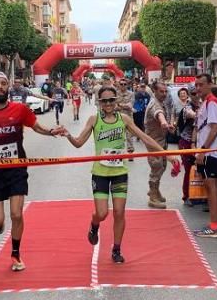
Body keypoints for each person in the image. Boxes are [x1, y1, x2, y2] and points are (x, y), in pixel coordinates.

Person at [0, 72, 65, 271]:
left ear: (9, 86)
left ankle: (15, 253)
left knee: (16, 214)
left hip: (17, 169)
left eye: (4, 84)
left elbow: (36, 126)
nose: (0, 87)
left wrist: (51, 131)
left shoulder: (20, 109)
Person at [66, 85, 164, 262]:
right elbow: (79, 143)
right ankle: (94, 225)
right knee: (102, 213)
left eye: (111, 100)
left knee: (119, 212)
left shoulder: (124, 119)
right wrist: (67, 135)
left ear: (116, 100)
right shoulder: (94, 120)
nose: (109, 104)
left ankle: (116, 249)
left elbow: (145, 138)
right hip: (100, 173)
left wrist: (165, 155)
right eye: (105, 101)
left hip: (120, 172)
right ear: (100, 102)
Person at [193, 74, 217, 238]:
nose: (198, 88)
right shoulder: (207, 102)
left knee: (211, 187)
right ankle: (215, 223)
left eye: (201, 85)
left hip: (210, 153)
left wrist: (203, 150)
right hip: (211, 152)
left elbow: (214, 128)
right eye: (196, 85)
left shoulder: (212, 102)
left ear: (210, 85)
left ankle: (214, 226)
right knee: (213, 188)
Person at [143, 81, 176, 209]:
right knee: (156, 167)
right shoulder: (154, 104)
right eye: (161, 91)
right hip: (153, 142)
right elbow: (158, 114)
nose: (164, 93)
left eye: (165, 91)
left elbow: (165, 117)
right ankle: (153, 196)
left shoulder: (162, 102)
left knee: (162, 166)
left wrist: (169, 126)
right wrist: (163, 123)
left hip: (161, 141)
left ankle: (155, 190)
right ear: (155, 91)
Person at [115, 79, 136, 156]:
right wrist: (124, 106)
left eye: (125, 84)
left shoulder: (131, 94)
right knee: (118, 136)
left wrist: (120, 105)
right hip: (118, 118)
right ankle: (119, 153)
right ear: (119, 85)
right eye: (121, 84)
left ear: (127, 85)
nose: (123, 85)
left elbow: (130, 105)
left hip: (128, 117)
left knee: (129, 135)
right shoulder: (115, 94)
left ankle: (130, 153)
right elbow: (114, 107)